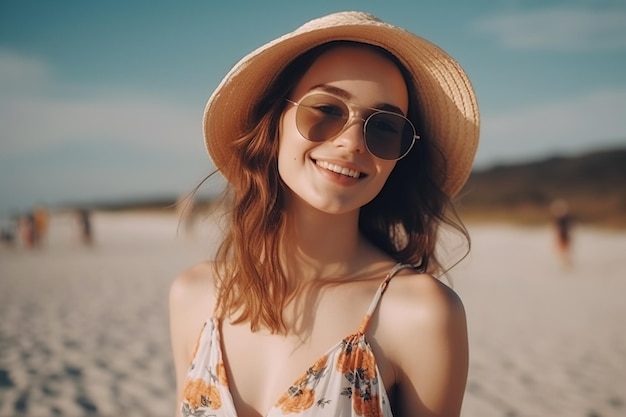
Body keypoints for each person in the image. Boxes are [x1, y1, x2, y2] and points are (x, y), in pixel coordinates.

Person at [169, 11, 479, 417]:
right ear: (274, 120)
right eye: (327, 109)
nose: (351, 142)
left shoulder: (420, 315)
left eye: (384, 126)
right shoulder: (195, 295)